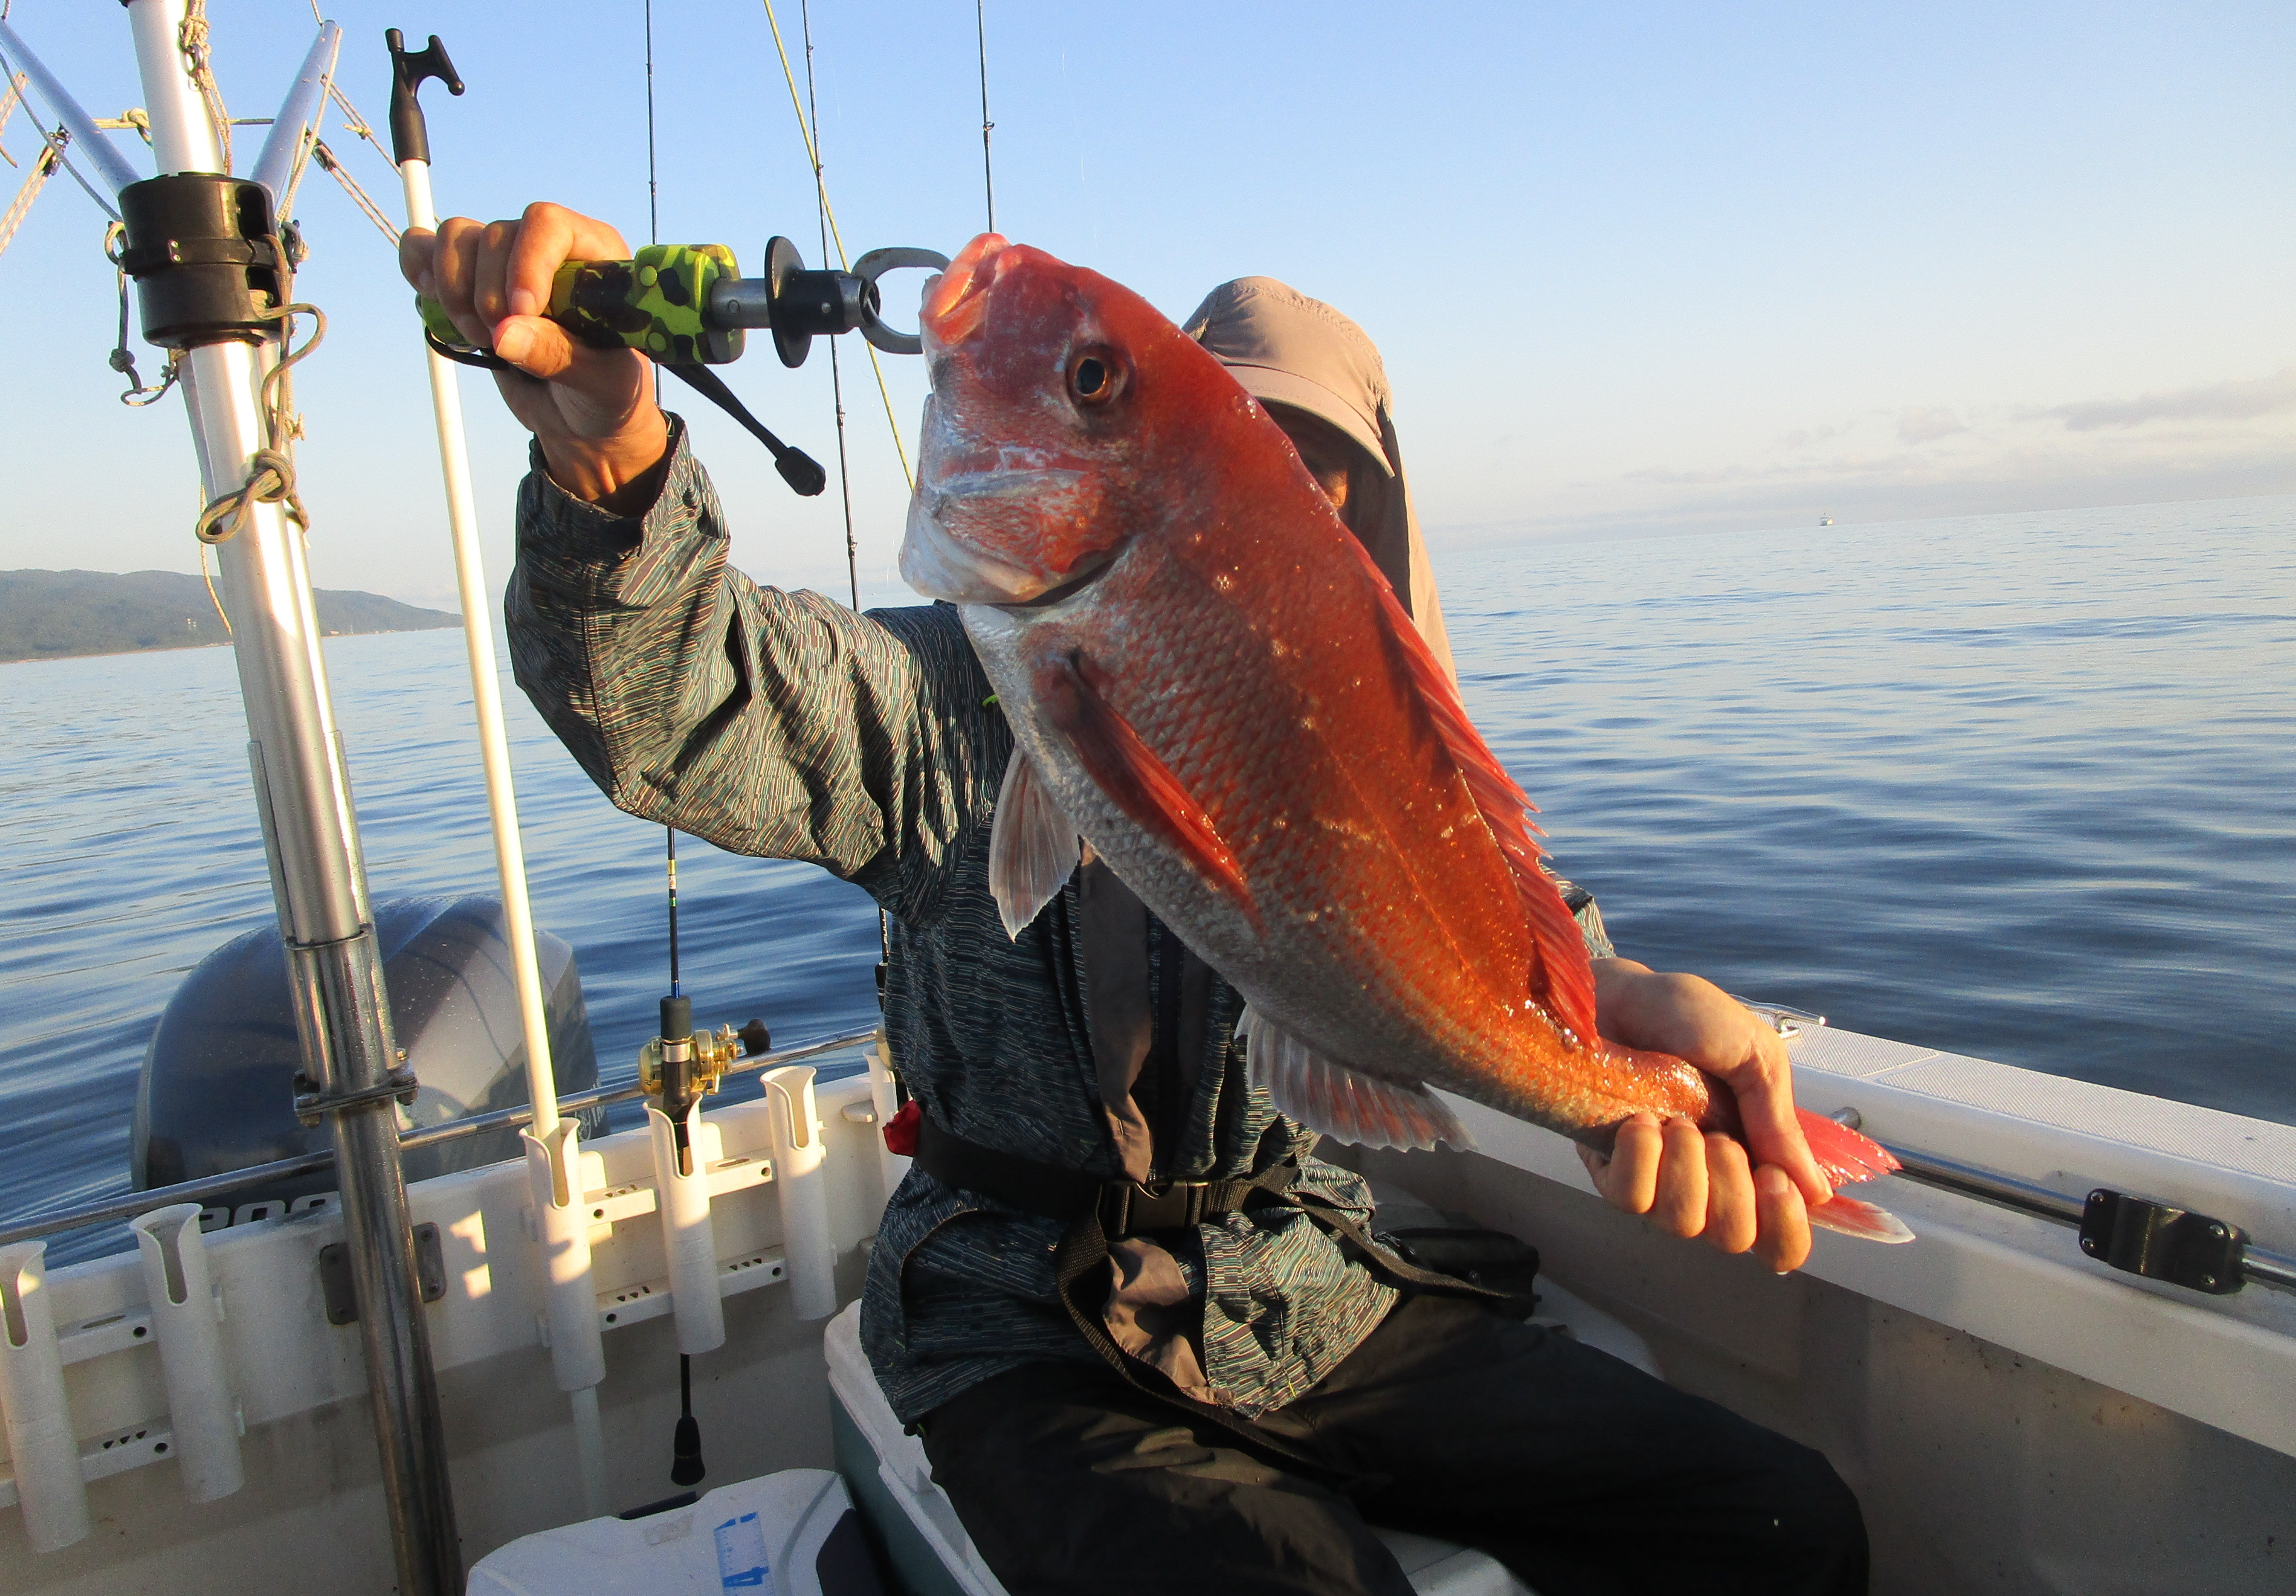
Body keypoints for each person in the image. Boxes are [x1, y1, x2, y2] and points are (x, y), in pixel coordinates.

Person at [402, 204, 1868, 1596]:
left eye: (1327, 476)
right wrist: (615, 454)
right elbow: (678, 702)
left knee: (1785, 1526)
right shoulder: (932, 701)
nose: (1293, 503)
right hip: (1021, 1326)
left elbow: (1501, 940)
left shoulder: (1384, 740)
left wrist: (1628, 1049)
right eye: (1239, 443)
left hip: (1312, 1287)